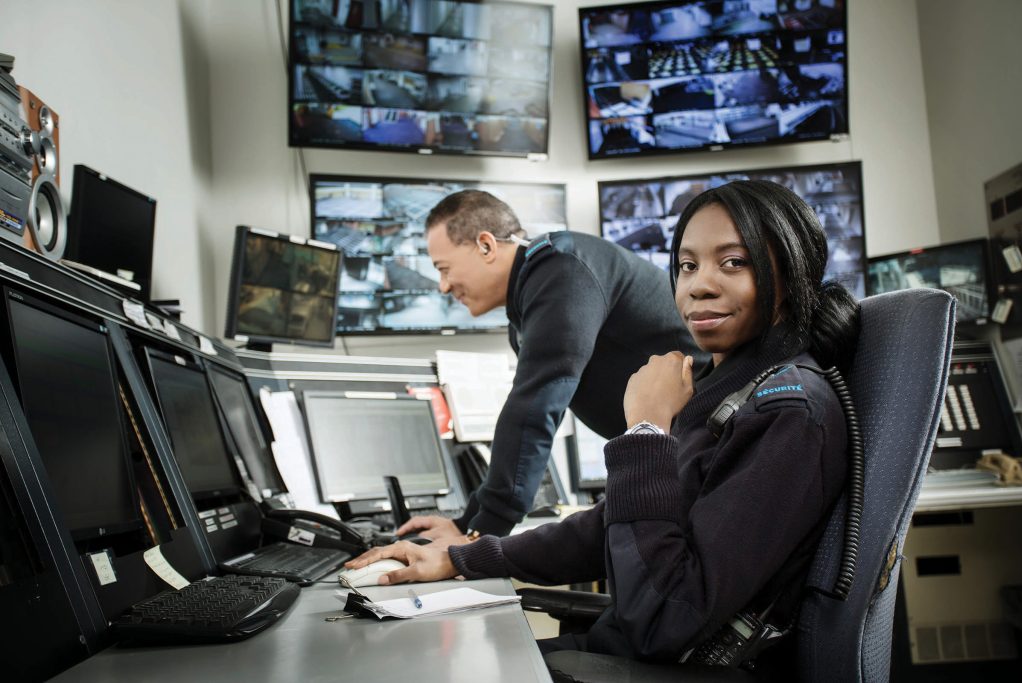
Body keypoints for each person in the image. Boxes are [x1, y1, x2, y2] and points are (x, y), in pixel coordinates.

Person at [345, 179, 860, 670]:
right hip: (628, 649)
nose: (700, 285)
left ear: (790, 274)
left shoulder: (786, 416)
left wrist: (646, 432)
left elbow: (662, 619)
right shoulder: (727, 397)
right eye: (685, 265)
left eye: (733, 262)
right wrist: (463, 557)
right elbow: (613, 522)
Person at [403, 189, 706, 542]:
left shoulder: (560, 267)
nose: (443, 286)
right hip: (678, 462)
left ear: (486, 245)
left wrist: (477, 536)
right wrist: (464, 523)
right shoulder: (535, 293)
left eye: (444, 268)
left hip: (707, 456)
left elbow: (535, 406)